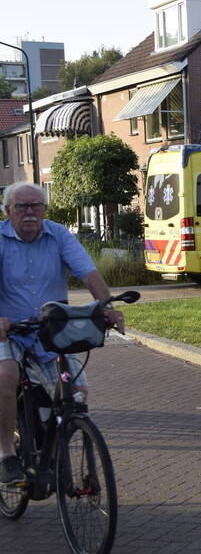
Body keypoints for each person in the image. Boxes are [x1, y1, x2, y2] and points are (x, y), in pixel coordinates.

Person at [0, 182, 125, 486]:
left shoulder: (58, 234)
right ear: (7, 211)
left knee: (77, 395)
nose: (29, 212)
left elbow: (87, 272)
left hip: (49, 328)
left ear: (45, 209)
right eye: (21, 206)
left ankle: (52, 449)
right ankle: (6, 454)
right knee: (6, 375)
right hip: (9, 331)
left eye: (35, 206)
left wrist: (105, 307)